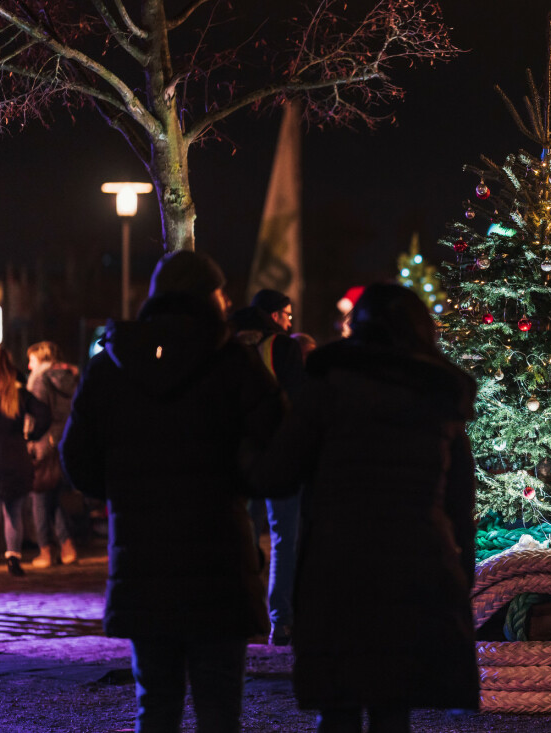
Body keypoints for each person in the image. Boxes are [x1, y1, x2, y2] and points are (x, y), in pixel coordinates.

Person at [60, 250, 287, 732]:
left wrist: (123, 489)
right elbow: (277, 445)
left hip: (143, 562)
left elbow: (76, 458)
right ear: (212, 297)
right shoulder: (234, 362)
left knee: (156, 706)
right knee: (219, 708)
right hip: (219, 559)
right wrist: (239, 485)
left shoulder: (111, 364)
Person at [252, 283, 479, 733]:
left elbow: (277, 473)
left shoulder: (328, 385)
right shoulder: (439, 395)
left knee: (338, 705)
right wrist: (458, 579)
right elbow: (459, 504)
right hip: (415, 562)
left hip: (338, 564)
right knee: (393, 707)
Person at [235, 288, 306, 647]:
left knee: (237, 537)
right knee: (284, 540)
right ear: (275, 315)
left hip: (234, 459)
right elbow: (297, 403)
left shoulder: (227, 346)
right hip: (279, 455)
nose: (291, 321)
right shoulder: (284, 348)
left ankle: (240, 617)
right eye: (288, 314)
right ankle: (282, 620)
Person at [0, 346, 51, 582]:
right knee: (13, 513)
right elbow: (44, 414)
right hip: (16, 455)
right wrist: (33, 436)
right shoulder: (20, 392)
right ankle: (14, 559)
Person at [26, 341, 80, 568]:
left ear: (40, 358)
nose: (29, 366)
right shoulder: (70, 378)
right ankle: (68, 546)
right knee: (53, 495)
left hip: (44, 441)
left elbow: (36, 413)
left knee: (38, 496)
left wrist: (29, 437)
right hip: (64, 439)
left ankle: (45, 551)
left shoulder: (40, 379)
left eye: (31, 360)